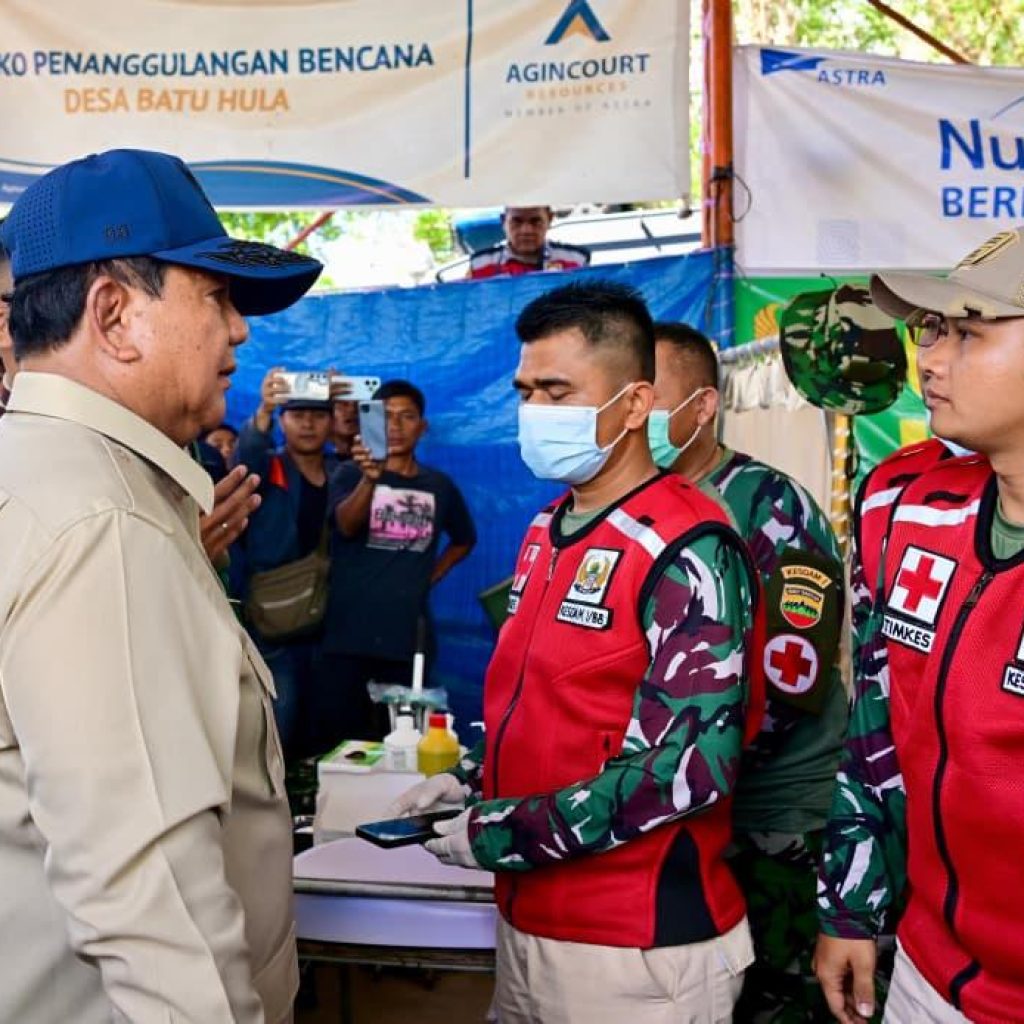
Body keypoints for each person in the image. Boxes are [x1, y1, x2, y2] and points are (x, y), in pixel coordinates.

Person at [0, 147, 322, 1023]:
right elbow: (154, 908)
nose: (241, 330)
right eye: (216, 298)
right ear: (114, 315)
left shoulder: (42, 476)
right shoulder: (102, 520)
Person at [395, 282, 766, 1023]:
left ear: (633, 405)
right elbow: (556, 712)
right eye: (526, 390)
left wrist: (502, 830)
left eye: (557, 391)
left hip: (634, 947)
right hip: (530, 919)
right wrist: (473, 788)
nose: (534, 412)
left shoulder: (688, 547)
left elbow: (689, 768)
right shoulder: (548, 530)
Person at [815, 228, 1024, 1024]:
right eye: (931, 331)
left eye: (967, 333)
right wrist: (851, 904)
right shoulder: (904, 504)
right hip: (926, 972)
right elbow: (877, 723)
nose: (929, 359)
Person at [650, 322, 847, 1022]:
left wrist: (677, 773)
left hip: (773, 813)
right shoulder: (636, 504)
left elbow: (794, 678)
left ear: (702, 406)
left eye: (652, 396)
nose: (633, 410)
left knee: (780, 995)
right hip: (690, 807)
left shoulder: (767, 505)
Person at [317, 379, 476, 744]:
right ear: (369, 423)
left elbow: (465, 540)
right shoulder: (350, 473)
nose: (396, 426)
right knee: (344, 746)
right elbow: (345, 524)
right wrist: (370, 480)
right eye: (386, 416)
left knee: (401, 745)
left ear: (423, 426)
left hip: (406, 639)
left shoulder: (440, 485)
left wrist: (429, 576)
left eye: (407, 417)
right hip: (348, 635)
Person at [238, 368, 335, 757]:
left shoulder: (342, 470)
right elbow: (246, 457)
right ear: (282, 422)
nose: (309, 424)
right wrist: (263, 410)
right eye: (297, 415)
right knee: (280, 723)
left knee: (323, 723)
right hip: (275, 617)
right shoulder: (269, 466)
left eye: (318, 414)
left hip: (328, 620)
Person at [467, 205, 590, 280]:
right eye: (517, 221)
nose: (526, 230)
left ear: (550, 219)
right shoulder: (480, 265)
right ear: (503, 221)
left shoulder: (575, 261)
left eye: (535, 221)